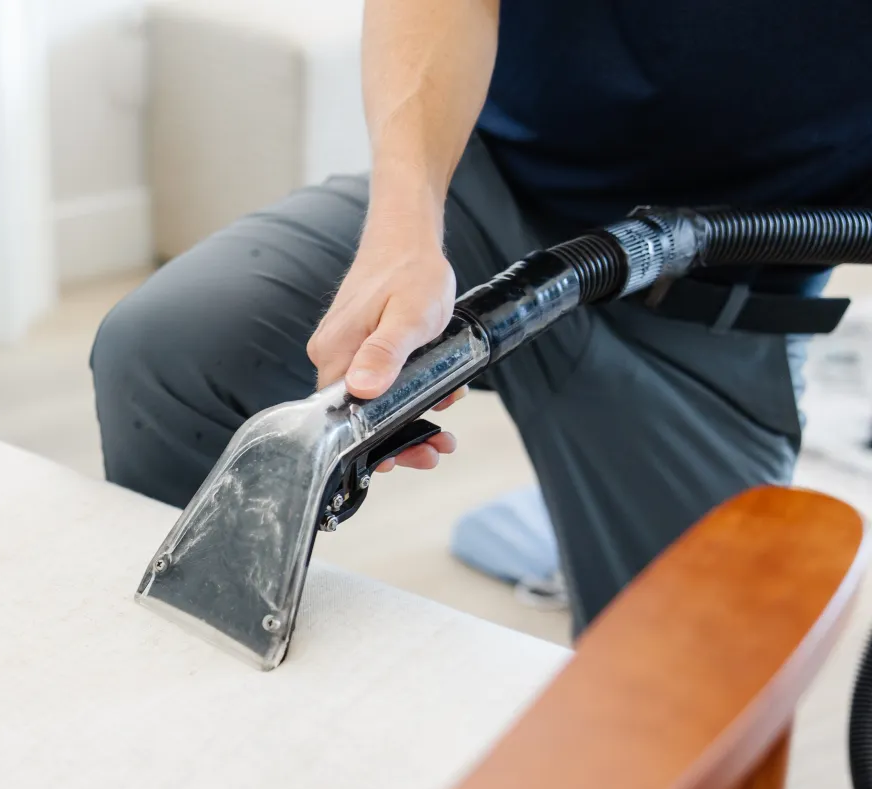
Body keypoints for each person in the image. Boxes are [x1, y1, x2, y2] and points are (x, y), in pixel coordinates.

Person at [90, 0, 872, 633]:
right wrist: (404, 224)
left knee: (686, 723)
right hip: (487, 196)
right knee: (168, 351)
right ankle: (203, 715)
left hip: (719, 292)